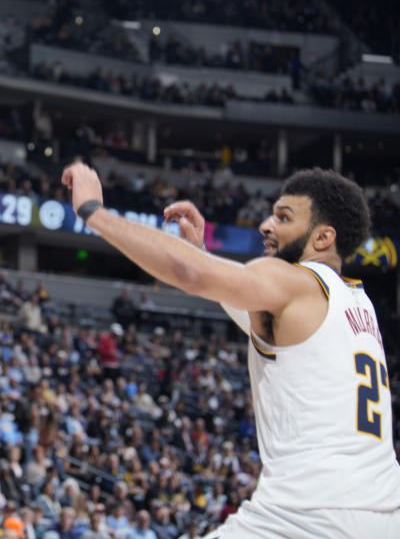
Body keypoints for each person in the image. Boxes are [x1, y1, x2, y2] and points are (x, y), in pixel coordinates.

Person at [62, 164, 400, 537]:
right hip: (384, 514)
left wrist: (94, 212)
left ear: (322, 238)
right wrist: (203, 252)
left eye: (283, 217)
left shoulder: (296, 280)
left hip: (307, 516)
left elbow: (191, 276)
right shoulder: (357, 304)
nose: (266, 226)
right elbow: (251, 309)